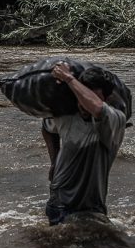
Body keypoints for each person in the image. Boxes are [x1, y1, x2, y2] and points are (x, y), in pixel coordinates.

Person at [41, 63, 128, 225]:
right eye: (80, 98)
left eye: (90, 97)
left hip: (91, 208)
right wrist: (54, 161)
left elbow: (97, 108)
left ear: (107, 99)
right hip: (58, 203)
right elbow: (47, 128)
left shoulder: (115, 120)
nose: (83, 104)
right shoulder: (67, 117)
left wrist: (68, 78)